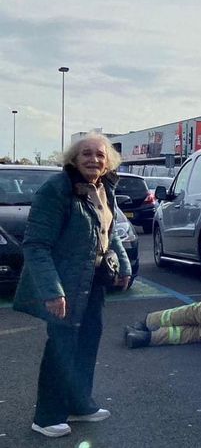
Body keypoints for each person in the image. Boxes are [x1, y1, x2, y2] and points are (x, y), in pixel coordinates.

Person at [13, 134, 133, 438]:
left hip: (92, 282)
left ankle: (80, 403)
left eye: (100, 155)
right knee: (62, 346)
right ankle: (47, 415)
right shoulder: (56, 190)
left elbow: (110, 231)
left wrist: (124, 265)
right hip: (64, 281)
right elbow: (36, 245)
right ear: (73, 159)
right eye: (86, 154)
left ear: (108, 162)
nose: (94, 159)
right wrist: (52, 291)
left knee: (87, 341)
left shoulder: (104, 188)